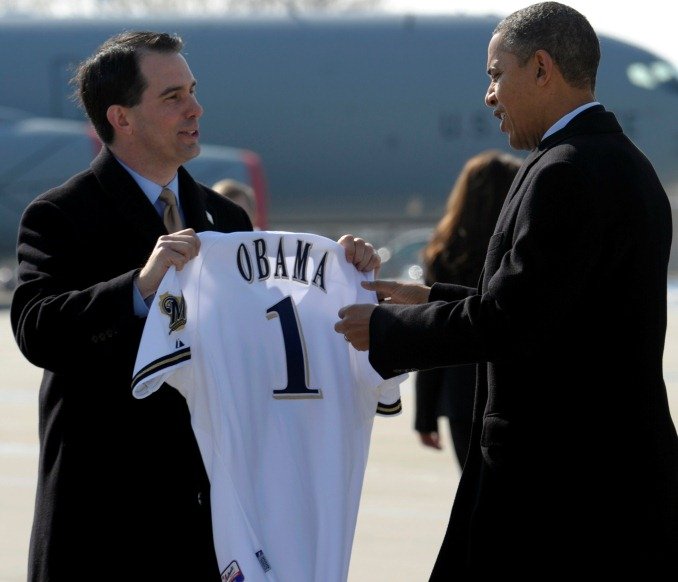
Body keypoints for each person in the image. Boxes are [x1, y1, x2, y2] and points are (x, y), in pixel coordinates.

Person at [10, 31, 380, 581]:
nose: (195, 108)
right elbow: (37, 330)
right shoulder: (60, 214)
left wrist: (341, 274)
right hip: (104, 518)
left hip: (210, 516)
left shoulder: (225, 221)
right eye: (172, 97)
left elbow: (269, 334)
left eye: (192, 90)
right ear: (122, 117)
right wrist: (140, 287)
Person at [335, 2, 678, 578]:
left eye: (496, 74)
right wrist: (433, 298)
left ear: (542, 69)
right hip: (608, 479)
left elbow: (515, 322)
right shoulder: (615, 162)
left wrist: (386, 330)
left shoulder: (566, 171)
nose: (489, 96)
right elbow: (559, 308)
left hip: (561, 492)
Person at [414, 150, 521, 467]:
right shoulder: (520, 246)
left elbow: (433, 331)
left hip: (461, 397)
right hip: (516, 394)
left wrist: (425, 412)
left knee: (476, 499)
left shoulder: (445, 252)